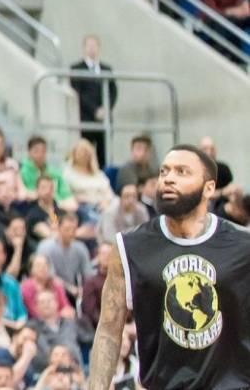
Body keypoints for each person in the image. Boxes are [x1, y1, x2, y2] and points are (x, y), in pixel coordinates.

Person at [88, 145, 250, 390]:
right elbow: (110, 330)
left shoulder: (243, 245)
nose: (169, 178)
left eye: (182, 172)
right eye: (164, 171)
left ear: (209, 188)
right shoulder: (129, 247)